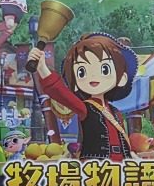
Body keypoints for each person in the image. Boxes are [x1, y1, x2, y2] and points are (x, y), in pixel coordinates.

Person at [29, 33, 136, 161]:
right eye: (82, 72)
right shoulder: (85, 107)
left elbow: (122, 139)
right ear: (74, 83)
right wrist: (42, 67)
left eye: (104, 69)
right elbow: (59, 92)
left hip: (119, 164)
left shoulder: (115, 111)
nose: (93, 76)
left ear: (122, 78)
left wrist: (131, 156)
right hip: (95, 164)